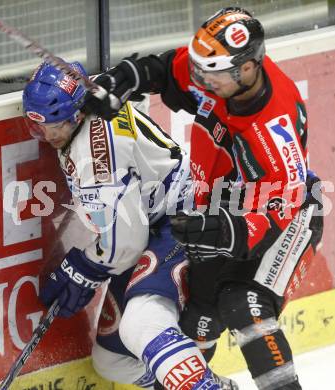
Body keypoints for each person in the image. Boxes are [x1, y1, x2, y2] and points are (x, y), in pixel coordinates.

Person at [83, 6, 324, 390]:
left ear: (246, 70)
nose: (196, 78)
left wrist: (218, 230)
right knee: (193, 330)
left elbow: (274, 215)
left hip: (287, 219)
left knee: (243, 304)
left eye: (207, 72)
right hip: (223, 212)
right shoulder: (219, 75)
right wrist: (124, 80)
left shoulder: (270, 131)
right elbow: (166, 70)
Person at [22, 60, 239, 390]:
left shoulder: (92, 158)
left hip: (186, 220)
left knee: (143, 322)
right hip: (155, 223)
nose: (49, 135)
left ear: (77, 115)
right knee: (113, 362)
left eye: (57, 125)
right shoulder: (99, 95)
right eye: (38, 128)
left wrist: (82, 268)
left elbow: (123, 243)